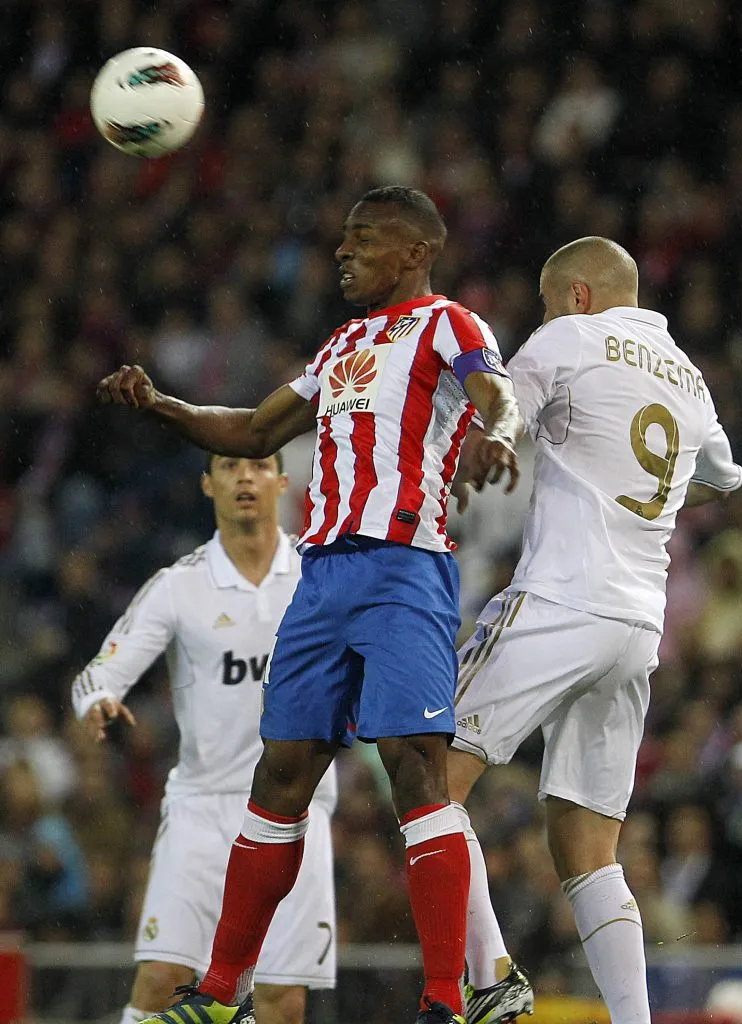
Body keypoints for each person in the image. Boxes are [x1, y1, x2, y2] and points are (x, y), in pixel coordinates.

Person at [97, 185, 524, 1024]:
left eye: (362, 238)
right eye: (342, 239)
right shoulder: (341, 346)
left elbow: (493, 391)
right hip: (321, 578)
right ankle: (220, 993)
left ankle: (445, 996)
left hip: (404, 569)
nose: (343, 251)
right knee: (281, 775)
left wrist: (497, 431)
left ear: (414, 252)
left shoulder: (450, 324)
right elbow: (255, 431)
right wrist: (162, 406)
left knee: (414, 772)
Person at [448, 237, 742, 1024]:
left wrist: (488, 444)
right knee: (587, 851)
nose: (543, 316)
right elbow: (717, 478)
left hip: (559, 598)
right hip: (634, 627)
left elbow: (498, 411)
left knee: (426, 773)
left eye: (547, 303)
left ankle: (490, 976)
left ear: (576, 296)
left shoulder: (566, 338)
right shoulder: (687, 374)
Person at [71, 452, 337, 1024]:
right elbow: (100, 672)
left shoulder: (320, 575)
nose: (245, 476)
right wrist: (98, 701)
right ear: (207, 483)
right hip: (203, 810)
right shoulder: (179, 585)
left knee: (282, 1001)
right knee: (163, 979)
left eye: (260, 464)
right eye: (229, 465)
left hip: (299, 812)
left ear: (283, 482)